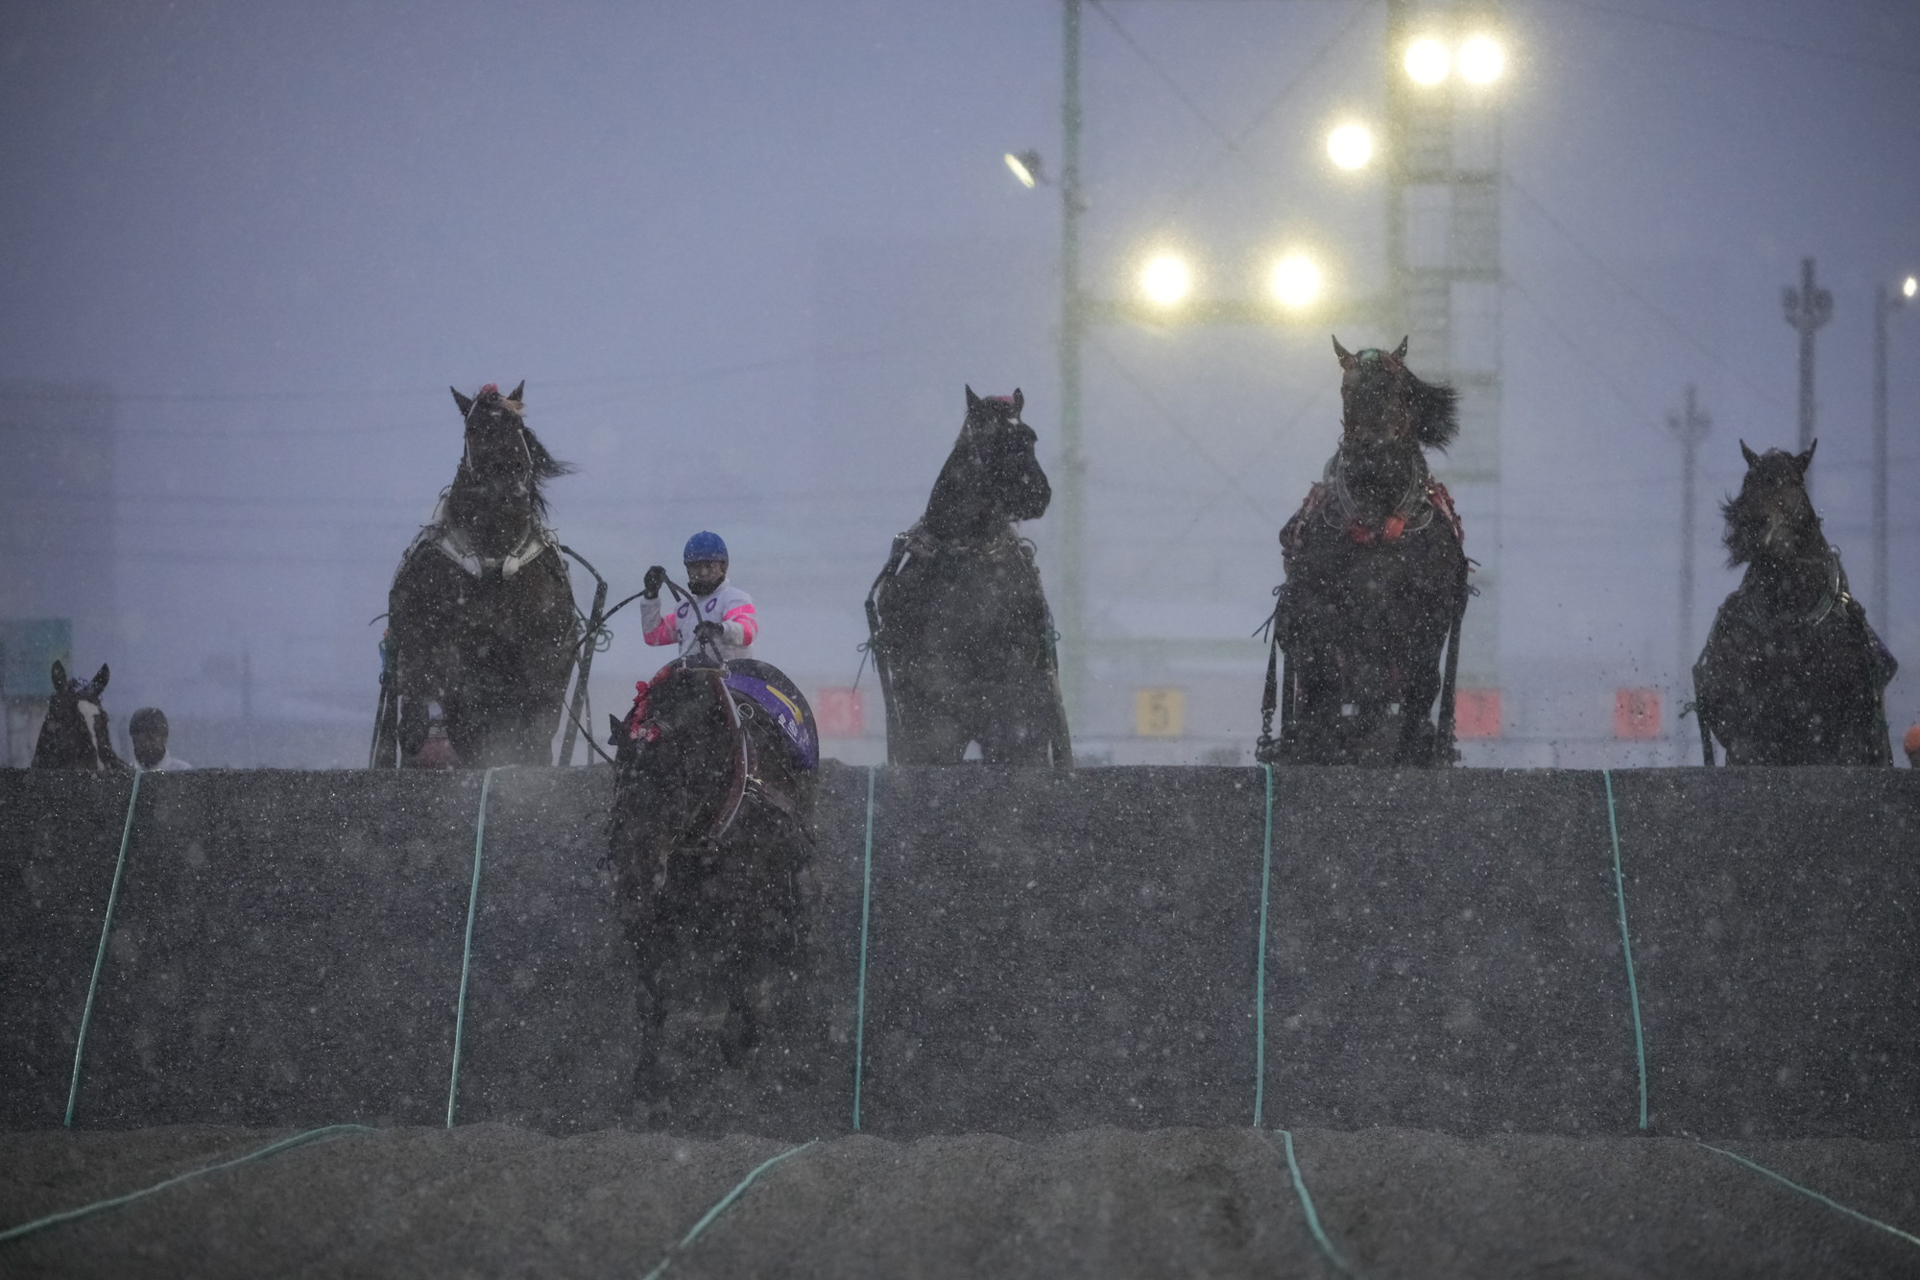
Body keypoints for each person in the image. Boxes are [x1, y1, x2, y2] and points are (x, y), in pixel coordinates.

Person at [639, 531, 758, 662]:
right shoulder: (685, 609)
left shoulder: (735, 598)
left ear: (723, 566)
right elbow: (653, 636)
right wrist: (651, 596)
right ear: (688, 569)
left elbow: (748, 632)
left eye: (709, 565)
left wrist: (718, 629)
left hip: (730, 678)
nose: (703, 572)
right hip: (692, 679)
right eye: (696, 566)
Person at [129, 707, 191, 771]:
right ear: (134, 741)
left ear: (165, 737)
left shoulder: (183, 772)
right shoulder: (125, 775)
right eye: (142, 742)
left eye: (152, 739)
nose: (148, 745)